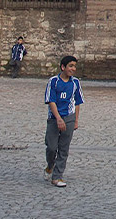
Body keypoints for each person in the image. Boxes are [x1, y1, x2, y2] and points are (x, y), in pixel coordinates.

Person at [44, 55, 85, 188]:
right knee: (51, 147)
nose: (73, 69)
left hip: (69, 118)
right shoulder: (53, 82)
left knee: (63, 148)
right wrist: (58, 119)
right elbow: (51, 101)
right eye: (70, 66)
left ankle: (57, 176)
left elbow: (77, 102)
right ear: (63, 67)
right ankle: (50, 166)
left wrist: (76, 120)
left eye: (74, 66)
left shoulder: (75, 83)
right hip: (54, 118)